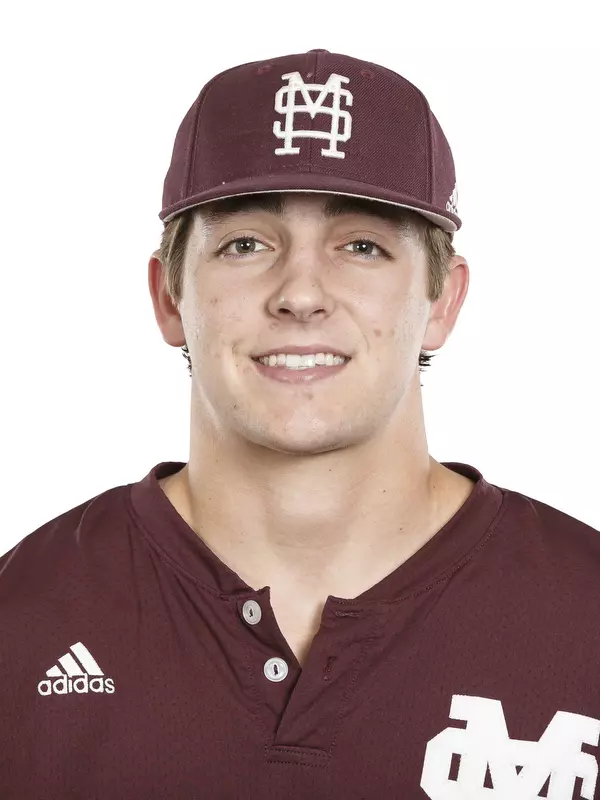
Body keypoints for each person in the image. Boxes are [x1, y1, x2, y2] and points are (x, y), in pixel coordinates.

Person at [1, 48, 599, 800]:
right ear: (168, 297)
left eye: (362, 246)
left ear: (443, 302)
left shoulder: (585, 617)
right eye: (245, 244)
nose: (301, 293)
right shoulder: (24, 618)